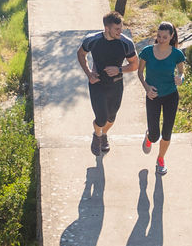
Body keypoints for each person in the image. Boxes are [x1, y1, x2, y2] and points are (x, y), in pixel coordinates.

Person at [77, 11, 137, 154]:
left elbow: (134, 65)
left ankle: (104, 134)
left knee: (111, 117)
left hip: (116, 84)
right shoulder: (92, 40)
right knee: (101, 118)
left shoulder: (126, 43)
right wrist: (89, 73)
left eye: (121, 28)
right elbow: (81, 54)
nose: (120, 32)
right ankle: (97, 135)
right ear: (107, 28)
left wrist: (119, 69)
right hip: (97, 83)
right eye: (117, 29)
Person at [135, 21, 186, 176]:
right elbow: (140, 73)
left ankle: (160, 159)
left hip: (171, 95)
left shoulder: (177, 54)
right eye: (158, 36)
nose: (161, 39)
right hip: (153, 95)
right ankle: (149, 136)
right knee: (155, 134)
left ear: (171, 37)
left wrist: (180, 79)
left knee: (167, 132)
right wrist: (147, 88)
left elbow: (182, 73)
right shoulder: (147, 51)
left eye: (165, 37)